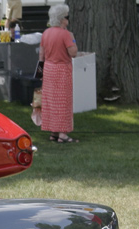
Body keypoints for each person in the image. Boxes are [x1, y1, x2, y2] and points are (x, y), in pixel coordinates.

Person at [40, 4, 78, 143]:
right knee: (63, 102)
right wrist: (73, 38)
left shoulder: (46, 33)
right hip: (62, 70)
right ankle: (63, 134)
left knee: (51, 102)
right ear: (62, 19)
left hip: (48, 69)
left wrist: (40, 73)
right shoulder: (66, 34)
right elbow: (73, 52)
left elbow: (41, 55)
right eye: (67, 17)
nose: (68, 19)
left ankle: (53, 132)